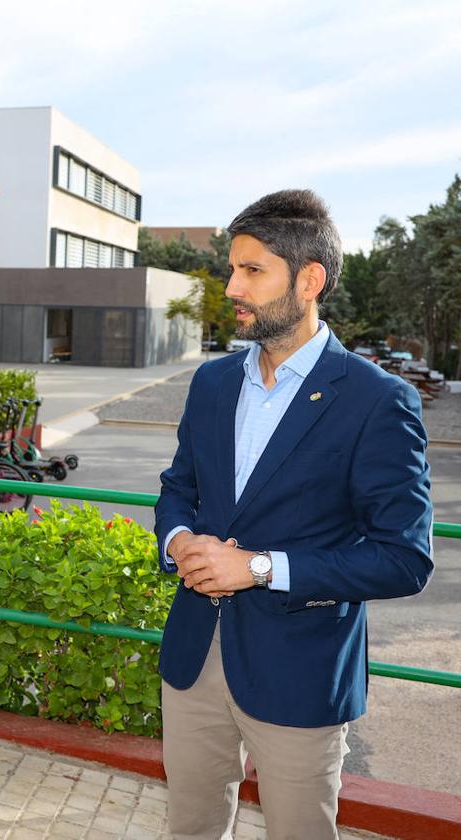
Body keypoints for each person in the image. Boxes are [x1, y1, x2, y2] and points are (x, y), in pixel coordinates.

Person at [155, 189, 433, 840]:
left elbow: (403, 557)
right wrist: (178, 541)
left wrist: (256, 568)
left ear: (310, 280)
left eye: (252, 271)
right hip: (195, 657)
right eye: (232, 268)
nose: (232, 286)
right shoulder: (213, 383)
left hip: (301, 672)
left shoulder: (377, 401)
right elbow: (178, 486)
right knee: (189, 830)